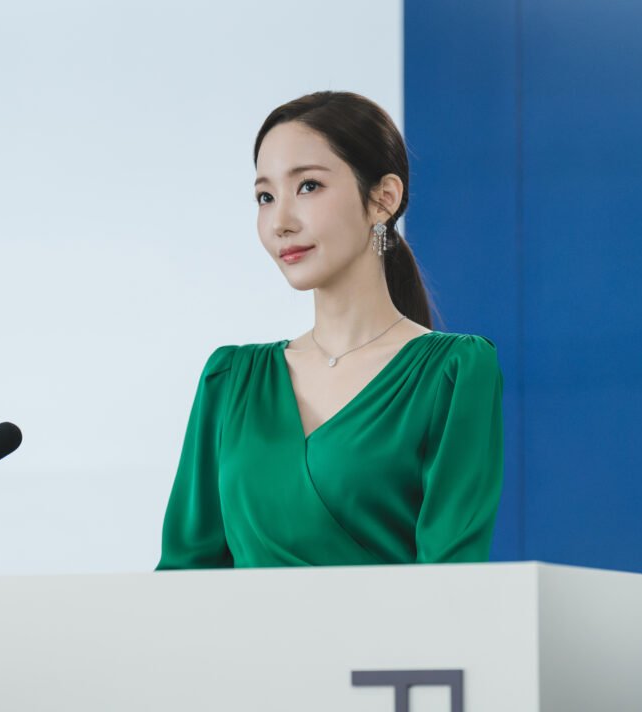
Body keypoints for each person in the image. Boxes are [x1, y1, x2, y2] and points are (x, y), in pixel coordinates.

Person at [155, 91, 503, 569]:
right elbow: (184, 577)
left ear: (383, 199)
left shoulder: (454, 370)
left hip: (399, 623)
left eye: (308, 186)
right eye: (265, 197)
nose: (280, 222)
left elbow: (452, 580)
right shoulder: (230, 379)